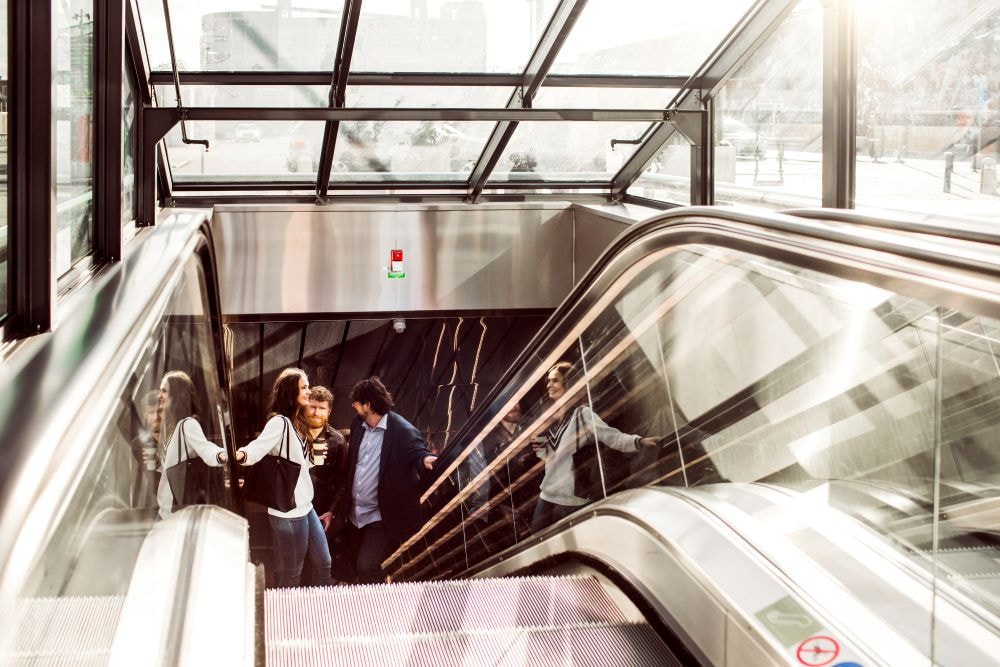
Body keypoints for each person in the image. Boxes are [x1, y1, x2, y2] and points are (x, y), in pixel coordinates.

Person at [530, 361, 659, 533]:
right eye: (548, 381)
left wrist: (638, 441)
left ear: (569, 384)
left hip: (571, 498)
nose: (549, 385)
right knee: (536, 538)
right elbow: (547, 457)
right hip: (547, 492)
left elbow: (610, 436)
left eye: (555, 380)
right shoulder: (550, 418)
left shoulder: (582, 414)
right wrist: (538, 446)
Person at [235, 368, 332, 588]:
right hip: (288, 513)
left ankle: (319, 606)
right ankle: (290, 617)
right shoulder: (279, 423)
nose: (309, 391)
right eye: (304, 387)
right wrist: (238, 456)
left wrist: (314, 457)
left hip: (305, 507)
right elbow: (257, 448)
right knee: (292, 573)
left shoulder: (296, 423)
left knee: (324, 562)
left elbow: (299, 464)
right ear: (290, 391)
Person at [338, 376, 437, 584]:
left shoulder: (403, 431)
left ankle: (382, 604)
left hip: (380, 515)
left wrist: (425, 459)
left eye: (356, 402)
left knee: (367, 566)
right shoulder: (358, 424)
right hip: (355, 514)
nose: (353, 406)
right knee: (355, 564)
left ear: (368, 405)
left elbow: (419, 453)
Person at [155, 371, 226, 519]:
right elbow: (168, 465)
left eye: (164, 391)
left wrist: (222, 455)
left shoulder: (188, 424)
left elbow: (205, 448)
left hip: (178, 510)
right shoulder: (171, 426)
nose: (159, 395)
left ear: (177, 395)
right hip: (167, 509)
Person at [304, 385, 350, 581]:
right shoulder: (294, 434)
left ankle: (317, 604)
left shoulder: (338, 441)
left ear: (329, 411)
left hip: (322, 512)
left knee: (321, 561)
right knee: (296, 561)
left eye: (321, 408)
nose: (316, 412)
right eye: (312, 406)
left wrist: (331, 510)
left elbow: (343, 481)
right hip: (294, 508)